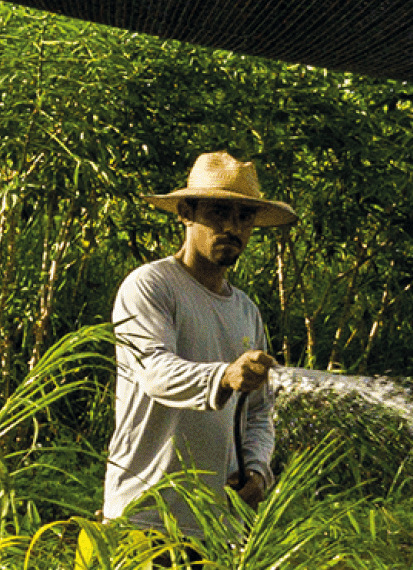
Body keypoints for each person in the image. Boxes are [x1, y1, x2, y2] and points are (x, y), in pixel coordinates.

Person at [105, 152, 292, 533]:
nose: (232, 227)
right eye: (219, 212)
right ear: (186, 212)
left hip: (214, 526)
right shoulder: (151, 286)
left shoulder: (246, 311)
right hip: (144, 514)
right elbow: (154, 372)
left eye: (244, 217)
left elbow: (258, 412)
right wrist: (225, 375)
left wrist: (256, 471)